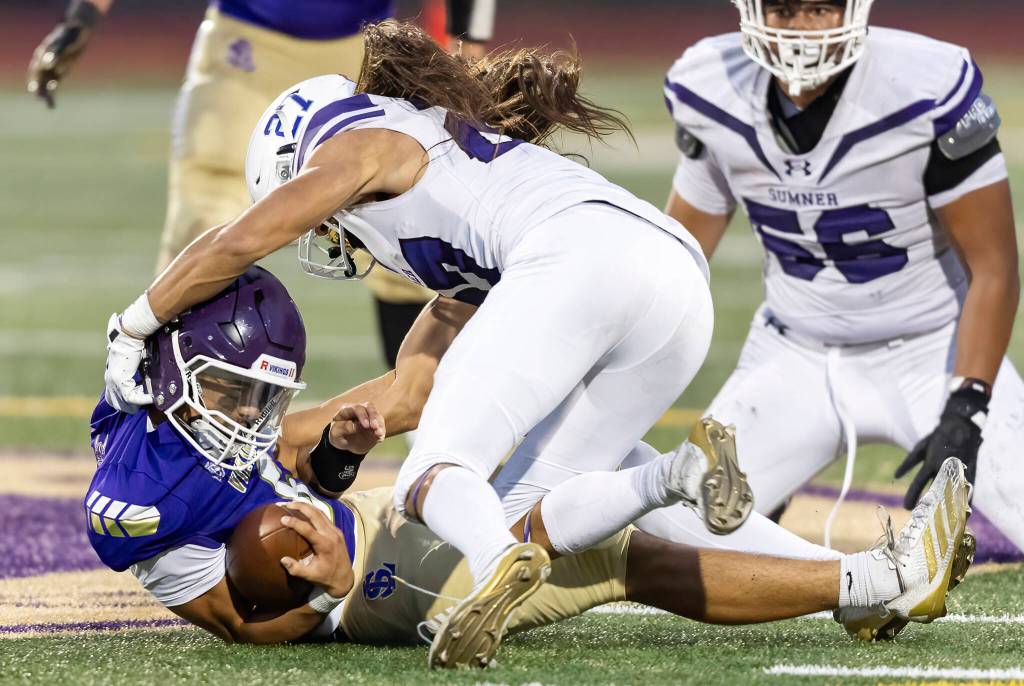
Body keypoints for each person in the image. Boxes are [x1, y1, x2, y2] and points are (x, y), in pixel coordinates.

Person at [99, 20, 764, 667]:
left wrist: (135, 324)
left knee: (432, 474)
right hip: (671, 279)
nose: (331, 232)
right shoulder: (447, 193)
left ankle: (499, 564)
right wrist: (326, 439)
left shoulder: (360, 146)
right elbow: (412, 392)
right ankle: (843, 573)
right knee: (528, 506)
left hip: (580, 255)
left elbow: (242, 239)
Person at [87, 267, 972, 654]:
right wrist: (325, 582)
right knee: (621, 558)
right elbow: (245, 622)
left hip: (377, 538)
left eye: (261, 397)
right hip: (364, 599)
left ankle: (849, 576)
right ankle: (867, 579)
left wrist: (336, 459)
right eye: (234, 393)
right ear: (174, 373)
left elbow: (306, 465)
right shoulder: (136, 501)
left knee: (568, 452)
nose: (250, 415)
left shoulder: (197, 422)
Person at [661, 0, 1022, 554]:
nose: (802, 29)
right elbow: (677, 258)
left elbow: (994, 265)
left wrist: (967, 405)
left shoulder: (923, 85)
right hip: (794, 354)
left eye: (819, 9)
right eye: (783, 10)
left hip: (931, 349)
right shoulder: (709, 86)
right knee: (676, 537)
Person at [26, 0, 497, 374]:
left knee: (413, 235)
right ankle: (169, 419)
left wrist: (468, 50)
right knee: (201, 221)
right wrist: (82, 16)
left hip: (368, 50)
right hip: (244, 47)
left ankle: (431, 424)